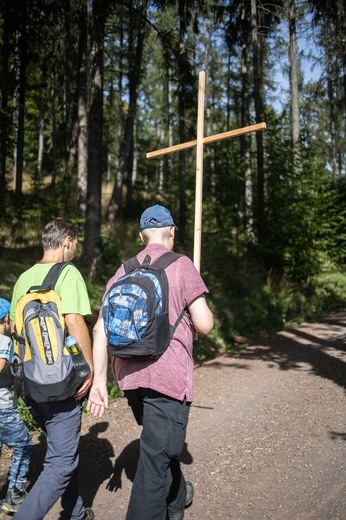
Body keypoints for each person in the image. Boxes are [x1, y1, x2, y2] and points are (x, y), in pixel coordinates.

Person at [87, 204, 214, 520]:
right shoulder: (181, 265)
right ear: (172, 231)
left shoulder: (123, 270)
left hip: (129, 378)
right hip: (167, 377)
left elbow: (100, 328)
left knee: (160, 450)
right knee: (153, 462)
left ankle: (178, 499)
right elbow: (205, 323)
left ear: (141, 235)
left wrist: (99, 383)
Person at [10, 217, 94, 520]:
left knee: (61, 452)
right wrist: (89, 369)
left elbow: (16, 332)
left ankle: (77, 514)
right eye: (75, 244)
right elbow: (74, 321)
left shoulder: (22, 278)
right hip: (61, 383)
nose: (75, 249)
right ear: (67, 241)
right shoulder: (68, 273)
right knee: (61, 463)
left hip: (30, 385)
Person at [0, 298, 32, 513]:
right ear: (6, 318)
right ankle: (14, 496)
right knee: (23, 445)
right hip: (2, 408)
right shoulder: (4, 341)